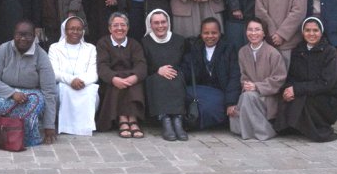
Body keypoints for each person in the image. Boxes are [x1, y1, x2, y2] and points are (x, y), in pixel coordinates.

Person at [275, 17, 337, 142]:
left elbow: (326, 83)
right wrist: (288, 89)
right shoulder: (298, 50)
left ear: (321, 32)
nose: (311, 34)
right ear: (302, 32)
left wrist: (297, 89)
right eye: (307, 30)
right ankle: (295, 126)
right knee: (287, 96)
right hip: (308, 90)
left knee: (304, 98)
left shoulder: (330, 52)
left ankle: (315, 128)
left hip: (329, 96)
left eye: (315, 30)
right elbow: (292, 76)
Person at [0, 19, 57, 146]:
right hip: (6, 92)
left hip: (32, 94)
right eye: (19, 34)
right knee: (3, 103)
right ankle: (9, 132)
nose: (23, 38)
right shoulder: (4, 49)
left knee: (33, 104)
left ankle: (26, 136)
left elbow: (50, 91)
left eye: (28, 35)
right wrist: (12, 93)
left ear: (34, 36)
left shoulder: (41, 55)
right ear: (14, 35)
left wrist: (49, 126)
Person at [229, 18, 287, 141]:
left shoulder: (273, 53)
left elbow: (279, 79)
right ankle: (256, 130)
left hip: (268, 96)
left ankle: (265, 132)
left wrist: (257, 86)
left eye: (257, 30)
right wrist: (248, 86)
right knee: (246, 97)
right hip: (249, 93)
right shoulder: (243, 52)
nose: (253, 33)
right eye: (250, 30)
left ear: (264, 33)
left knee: (247, 97)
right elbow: (243, 76)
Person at [180, 17, 241, 130]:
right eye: (206, 33)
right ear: (201, 34)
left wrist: (231, 102)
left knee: (212, 106)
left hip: (220, 91)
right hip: (198, 90)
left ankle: (193, 124)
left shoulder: (229, 49)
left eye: (214, 33)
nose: (210, 36)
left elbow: (234, 76)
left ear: (220, 33)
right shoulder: (195, 48)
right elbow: (186, 70)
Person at [96, 13, 147, 139]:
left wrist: (134, 77)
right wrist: (113, 78)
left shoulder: (134, 44)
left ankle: (133, 118)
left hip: (131, 79)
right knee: (118, 83)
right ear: (109, 28)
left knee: (135, 82)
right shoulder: (103, 43)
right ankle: (123, 119)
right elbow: (102, 66)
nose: (119, 28)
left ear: (128, 28)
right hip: (112, 81)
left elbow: (141, 64)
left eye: (123, 25)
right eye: (115, 25)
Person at [142, 9, 188, 141]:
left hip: (176, 76)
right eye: (156, 23)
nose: (160, 26)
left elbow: (186, 62)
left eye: (163, 22)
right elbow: (143, 64)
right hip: (154, 77)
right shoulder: (145, 42)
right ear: (150, 25)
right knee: (159, 79)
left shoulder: (179, 40)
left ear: (168, 23)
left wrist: (175, 71)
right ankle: (166, 121)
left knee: (176, 77)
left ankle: (178, 121)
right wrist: (157, 70)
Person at [48, 16, 99, 136]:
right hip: (63, 85)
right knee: (61, 90)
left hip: (84, 85)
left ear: (83, 31)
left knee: (92, 91)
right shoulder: (55, 48)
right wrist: (71, 80)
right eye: (72, 29)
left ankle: (84, 126)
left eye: (79, 29)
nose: (75, 32)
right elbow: (53, 72)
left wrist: (80, 82)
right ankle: (66, 125)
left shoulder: (91, 48)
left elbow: (94, 73)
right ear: (65, 31)